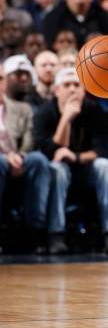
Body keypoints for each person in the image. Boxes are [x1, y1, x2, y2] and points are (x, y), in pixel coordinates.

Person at [33, 67, 108, 255]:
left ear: (84, 91)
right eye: (67, 85)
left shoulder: (94, 110)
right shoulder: (44, 112)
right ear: (57, 90)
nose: (73, 89)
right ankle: (55, 235)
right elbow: (50, 151)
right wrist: (66, 118)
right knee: (57, 168)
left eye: (77, 85)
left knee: (105, 166)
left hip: (88, 171)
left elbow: (105, 149)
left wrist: (75, 157)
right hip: (59, 175)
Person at [0, 59, 50, 251]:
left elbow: (29, 140)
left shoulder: (22, 108)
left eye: (1, 78)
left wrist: (19, 155)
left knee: (38, 160)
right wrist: (5, 157)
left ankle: (35, 232)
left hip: (17, 157)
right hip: (2, 160)